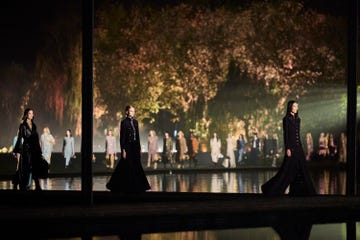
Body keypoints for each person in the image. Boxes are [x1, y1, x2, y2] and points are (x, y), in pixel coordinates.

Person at [261, 100, 316, 197]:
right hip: (291, 148)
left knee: (301, 169)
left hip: (299, 147)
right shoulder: (286, 119)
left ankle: (300, 192)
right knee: (287, 169)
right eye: (294, 106)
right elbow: (286, 134)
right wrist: (288, 148)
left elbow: (297, 134)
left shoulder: (298, 119)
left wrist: (301, 147)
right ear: (290, 107)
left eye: (297, 106)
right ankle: (270, 189)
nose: (296, 108)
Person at [106, 105, 151, 193]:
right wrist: (123, 149)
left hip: (135, 146)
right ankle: (117, 184)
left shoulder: (136, 122)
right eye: (131, 111)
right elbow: (122, 137)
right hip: (128, 146)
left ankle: (139, 185)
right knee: (125, 164)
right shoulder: (124, 122)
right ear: (127, 112)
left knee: (137, 164)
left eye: (133, 111)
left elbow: (137, 136)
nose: (133, 113)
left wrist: (139, 148)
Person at [13, 108, 43, 191]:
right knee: (25, 168)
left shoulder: (34, 125)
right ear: (27, 114)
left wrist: (39, 150)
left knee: (35, 167)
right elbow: (20, 138)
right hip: (26, 150)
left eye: (32, 113)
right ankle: (22, 185)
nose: (32, 114)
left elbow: (36, 138)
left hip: (34, 149)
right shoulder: (22, 126)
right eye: (30, 113)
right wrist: (16, 150)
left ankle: (37, 186)